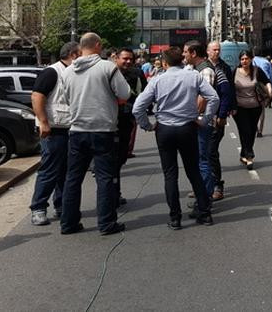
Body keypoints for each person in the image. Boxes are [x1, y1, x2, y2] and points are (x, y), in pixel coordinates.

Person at [133, 47, 219, 230]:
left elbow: (138, 107)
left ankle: (175, 218)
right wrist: (205, 120)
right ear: (182, 60)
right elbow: (214, 98)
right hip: (187, 127)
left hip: (164, 129)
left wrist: (147, 125)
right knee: (193, 171)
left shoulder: (157, 80)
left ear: (164, 63)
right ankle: (205, 214)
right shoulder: (193, 77)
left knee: (170, 174)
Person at [59, 33, 131, 236]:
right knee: (105, 178)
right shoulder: (108, 67)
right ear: (98, 45)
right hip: (103, 130)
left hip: (77, 131)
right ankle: (106, 223)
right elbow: (124, 94)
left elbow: (66, 98)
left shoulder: (68, 71)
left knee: (73, 178)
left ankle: (68, 223)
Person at [28, 41, 80, 226]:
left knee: (65, 170)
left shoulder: (72, 73)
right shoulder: (52, 72)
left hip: (68, 127)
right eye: (81, 54)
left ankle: (62, 205)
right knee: (49, 169)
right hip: (53, 128)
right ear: (73, 55)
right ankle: (38, 207)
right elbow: (36, 96)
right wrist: (43, 122)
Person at [183, 41, 219, 201]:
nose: (183, 55)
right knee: (197, 159)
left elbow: (204, 98)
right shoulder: (194, 69)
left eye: (185, 52)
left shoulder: (205, 71)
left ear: (193, 53)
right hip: (196, 120)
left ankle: (205, 197)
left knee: (202, 160)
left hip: (201, 121)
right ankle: (202, 192)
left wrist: (191, 116)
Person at [112, 48, 146, 203]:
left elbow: (145, 94)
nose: (128, 61)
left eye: (130, 59)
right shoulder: (108, 73)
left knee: (119, 159)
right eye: (124, 58)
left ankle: (114, 193)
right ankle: (111, 194)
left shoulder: (137, 74)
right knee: (109, 161)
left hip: (126, 120)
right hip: (108, 122)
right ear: (116, 58)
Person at [232, 50, 272, 169]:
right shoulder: (235, 72)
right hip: (239, 107)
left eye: (247, 59)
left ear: (251, 59)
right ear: (240, 60)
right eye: (242, 59)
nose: (245, 61)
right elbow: (229, 87)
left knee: (252, 131)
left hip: (255, 106)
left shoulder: (257, 71)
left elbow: (267, 81)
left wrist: (269, 90)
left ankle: (244, 153)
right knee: (245, 130)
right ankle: (249, 156)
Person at [206, 41, 235, 201]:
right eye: (214, 49)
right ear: (208, 51)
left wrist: (224, 113)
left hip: (217, 115)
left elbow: (229, 90)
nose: (217, 52)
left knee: (211, 151)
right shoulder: (203, 66)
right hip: (202, 116)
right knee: (203, 152)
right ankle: (205, 184)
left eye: (219, 49)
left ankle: (217, 185)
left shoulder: (223, 68)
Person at [253, 51, 272, 136]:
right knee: (262, 110)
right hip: (264, 87)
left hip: (252, 87)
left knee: (252, 110)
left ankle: (255, 128)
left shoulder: (250, 61)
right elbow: (271, 76)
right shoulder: (266, 62)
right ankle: (260, 131)